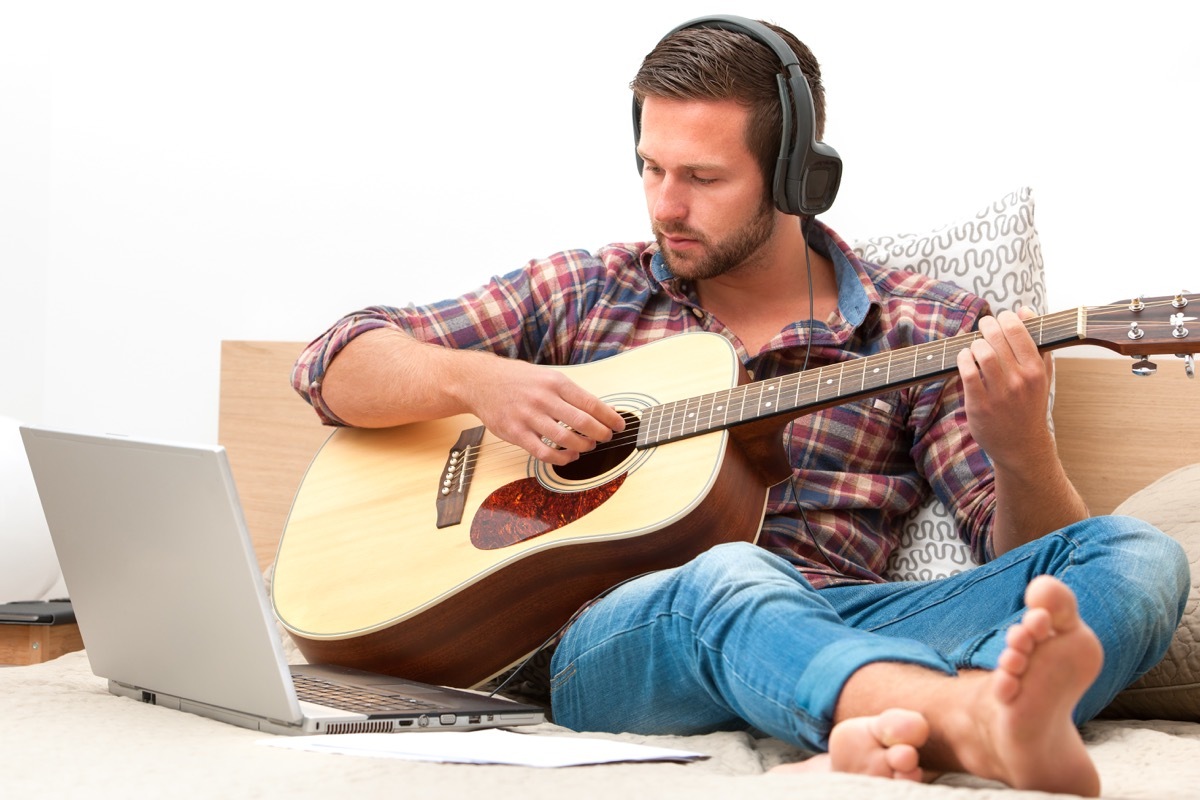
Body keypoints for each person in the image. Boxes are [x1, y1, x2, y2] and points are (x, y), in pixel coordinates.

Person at [291, 16, 1188, 796]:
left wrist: (1022, 446)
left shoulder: (926, 325)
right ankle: (966, 719)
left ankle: (896, 717)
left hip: (845, 614)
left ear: (798, 177)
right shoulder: (587, 288)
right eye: (650, 168)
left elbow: (1029, 568)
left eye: (703, 178)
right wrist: (476, 381)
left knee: (1140, 555)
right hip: (623, 642)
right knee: (732, 575)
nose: (665, 207)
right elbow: (335, 361)